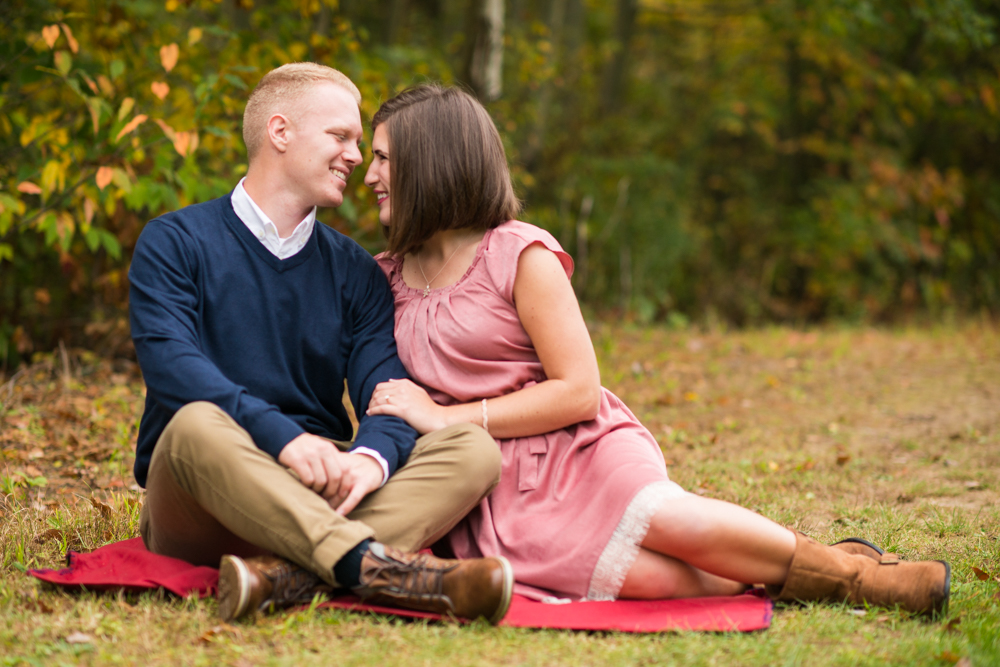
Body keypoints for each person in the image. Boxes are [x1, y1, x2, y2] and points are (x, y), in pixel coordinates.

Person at [362, 84, 950, 615]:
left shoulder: (517, 254)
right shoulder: (383, 278)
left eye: (384, 158)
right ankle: (800, 575)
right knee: (644, 578)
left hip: (573, 451)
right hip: (490, 489)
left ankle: (857, 579)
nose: (369, 175)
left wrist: (444, 418)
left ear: (432, 161)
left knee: (672, 521)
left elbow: (578, 391)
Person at [127, 64, 513, 624]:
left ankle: (284, 578)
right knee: (193, 423)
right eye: (341, 137)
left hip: (319, 492)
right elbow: (172, 367)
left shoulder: (357, 272)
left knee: (472, 451)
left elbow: (387, 388)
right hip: (201, 499)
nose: (357, 158)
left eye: (359, 143)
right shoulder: (176, 242)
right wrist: (284, 440)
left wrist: (370, 459)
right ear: (279, 133)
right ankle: (377, 568)